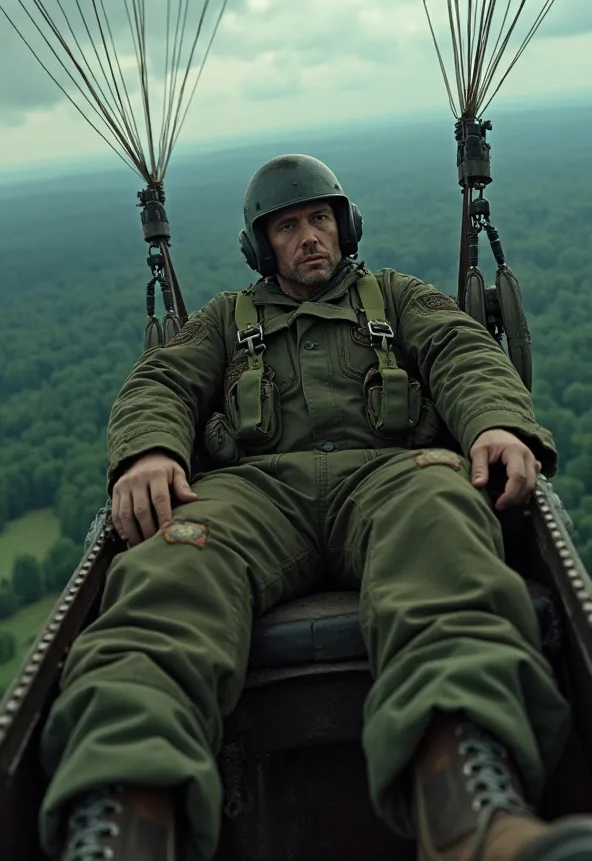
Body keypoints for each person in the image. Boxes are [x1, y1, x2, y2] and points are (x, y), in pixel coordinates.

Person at [40, 154, 592, 861]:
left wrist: (493, 423)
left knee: (442, 523)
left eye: (321, 219)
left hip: (389, 477)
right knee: (170, 569)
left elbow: (462, 351)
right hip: (256, 495)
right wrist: (150, 450)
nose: (310, 237)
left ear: (346, 225)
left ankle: (469, 808)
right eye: (289, 225)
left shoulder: (393, 296)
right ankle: (124, 819)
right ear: (259, 246)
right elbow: (161, 382)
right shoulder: (222, 322)